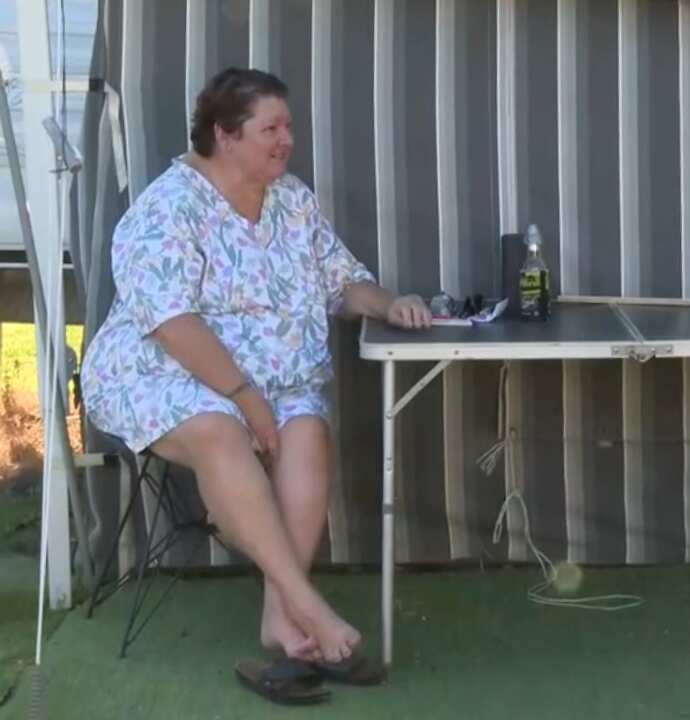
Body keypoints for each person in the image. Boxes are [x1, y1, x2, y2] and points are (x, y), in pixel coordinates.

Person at [81, 67, 430, 701]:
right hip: (161, 373)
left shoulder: (291, 199)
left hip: (279, 379)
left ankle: (279, 620)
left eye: (288, 126)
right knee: (221, 432)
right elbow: (172, 325)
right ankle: (308, 606)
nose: (286, 139)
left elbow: (339, 282)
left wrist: (389, 302)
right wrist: (245, 401)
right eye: (270, 128)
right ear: (224, 134)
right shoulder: (167, 206)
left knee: (307, 431)